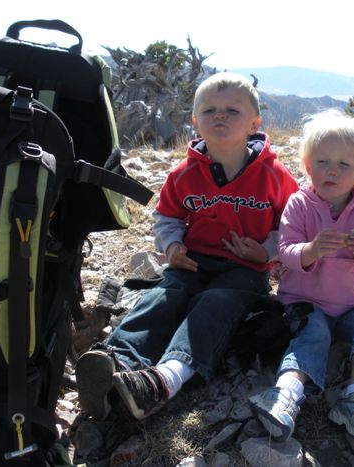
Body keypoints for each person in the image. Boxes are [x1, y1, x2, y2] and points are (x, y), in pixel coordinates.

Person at [75, 72, 298, 421]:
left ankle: (165, 379)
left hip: (245, 270)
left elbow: (290, 225)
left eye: (231, 110)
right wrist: (173, 246)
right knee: (164, 296)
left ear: (255, 123)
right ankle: (115, 360)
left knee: (216, 303)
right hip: (193, 261)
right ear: (195, 122)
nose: (219, 116)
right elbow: (168, 217)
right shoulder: (183, 173)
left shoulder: (274, 176)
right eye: (209, 110)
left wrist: (264, 252)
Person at [248, 109, 354, 443]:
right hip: (304, 300)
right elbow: (285, 250)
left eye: (344, 165)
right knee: (314, 334)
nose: (332, 170)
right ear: (307, 165)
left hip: (353, 303)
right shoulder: (299, 204)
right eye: (323, 161)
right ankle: (285, 395)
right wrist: (311, 251)